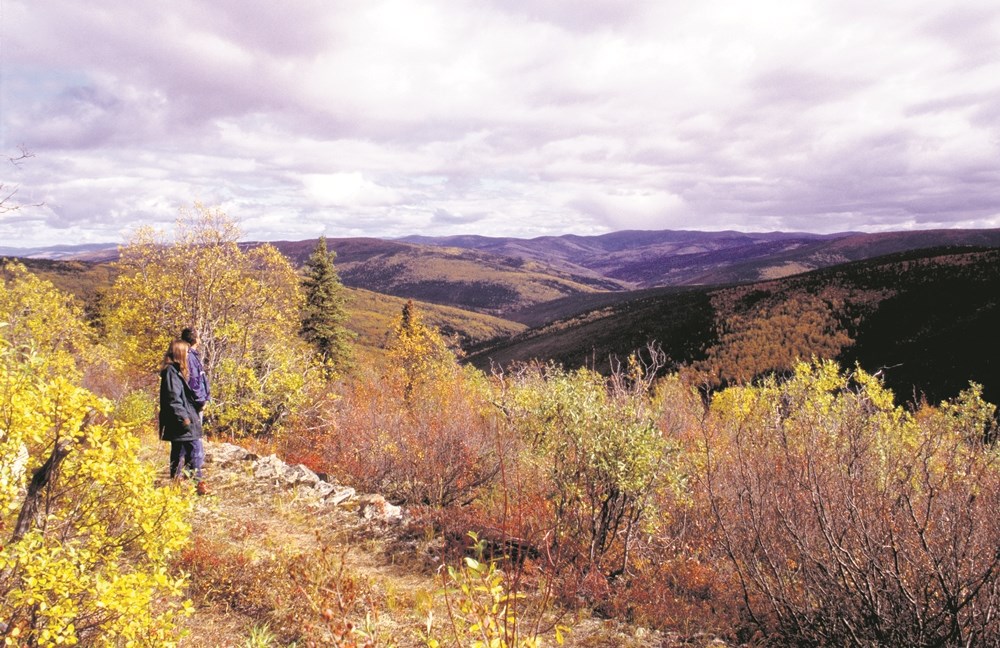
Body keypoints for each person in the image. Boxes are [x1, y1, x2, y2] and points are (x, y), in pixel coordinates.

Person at [159, 339, 205, 486]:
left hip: (181, 420)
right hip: (181, 421)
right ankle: (196, 484)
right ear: (180, 353)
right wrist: (184, 418)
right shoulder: (171, 372)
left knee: (180, 452)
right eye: (186, 352)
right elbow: (173, 398)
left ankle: (178, 484)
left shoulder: (175, 371)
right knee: (194, 451)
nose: (188, 355)